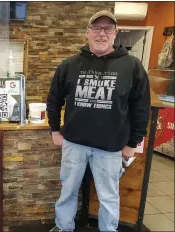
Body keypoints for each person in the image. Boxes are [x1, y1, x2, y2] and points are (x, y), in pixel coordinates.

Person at [47, 10, 150, 232]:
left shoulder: (132, 67)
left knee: (108, 197)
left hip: (110, 147)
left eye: (107, 29)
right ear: (88, 32)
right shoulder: (69, 65)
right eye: (96, 28)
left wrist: (133, 142)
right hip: (74, 143)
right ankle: (63, 227)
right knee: (68, 191)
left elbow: (141, 108)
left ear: (115, 34)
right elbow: (53, 100)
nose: (101, 33)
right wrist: (55, 130)